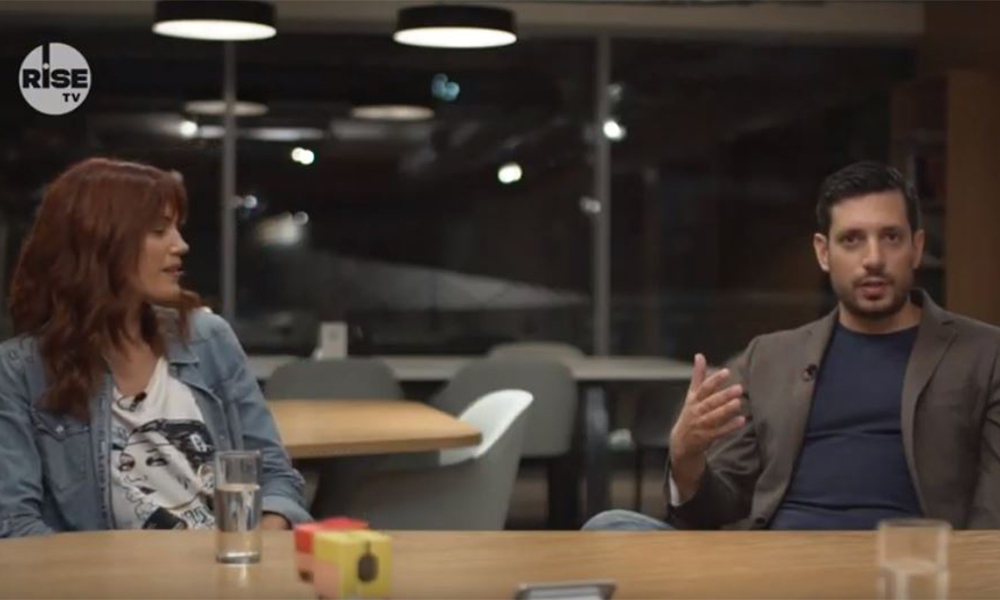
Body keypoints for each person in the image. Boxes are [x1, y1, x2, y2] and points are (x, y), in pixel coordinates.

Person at [585, 161, 1000, 531]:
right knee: (609, 528)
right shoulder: (768, 358)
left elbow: (993, 516)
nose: (873, 258)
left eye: (891, 237)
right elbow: (715, 510)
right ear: (824, 252)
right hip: (777, 562)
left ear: (917, 247)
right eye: (852, 240)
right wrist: (686, 457)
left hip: (901, 565)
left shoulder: (985, 354)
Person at [0, 158, 311, 537]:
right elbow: (14, 524)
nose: (181, 245)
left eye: (177, 228)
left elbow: (275, 475)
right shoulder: (19, 370)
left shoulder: (209, 338)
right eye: (159, 231)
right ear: (100, 244)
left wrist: (255, 546)